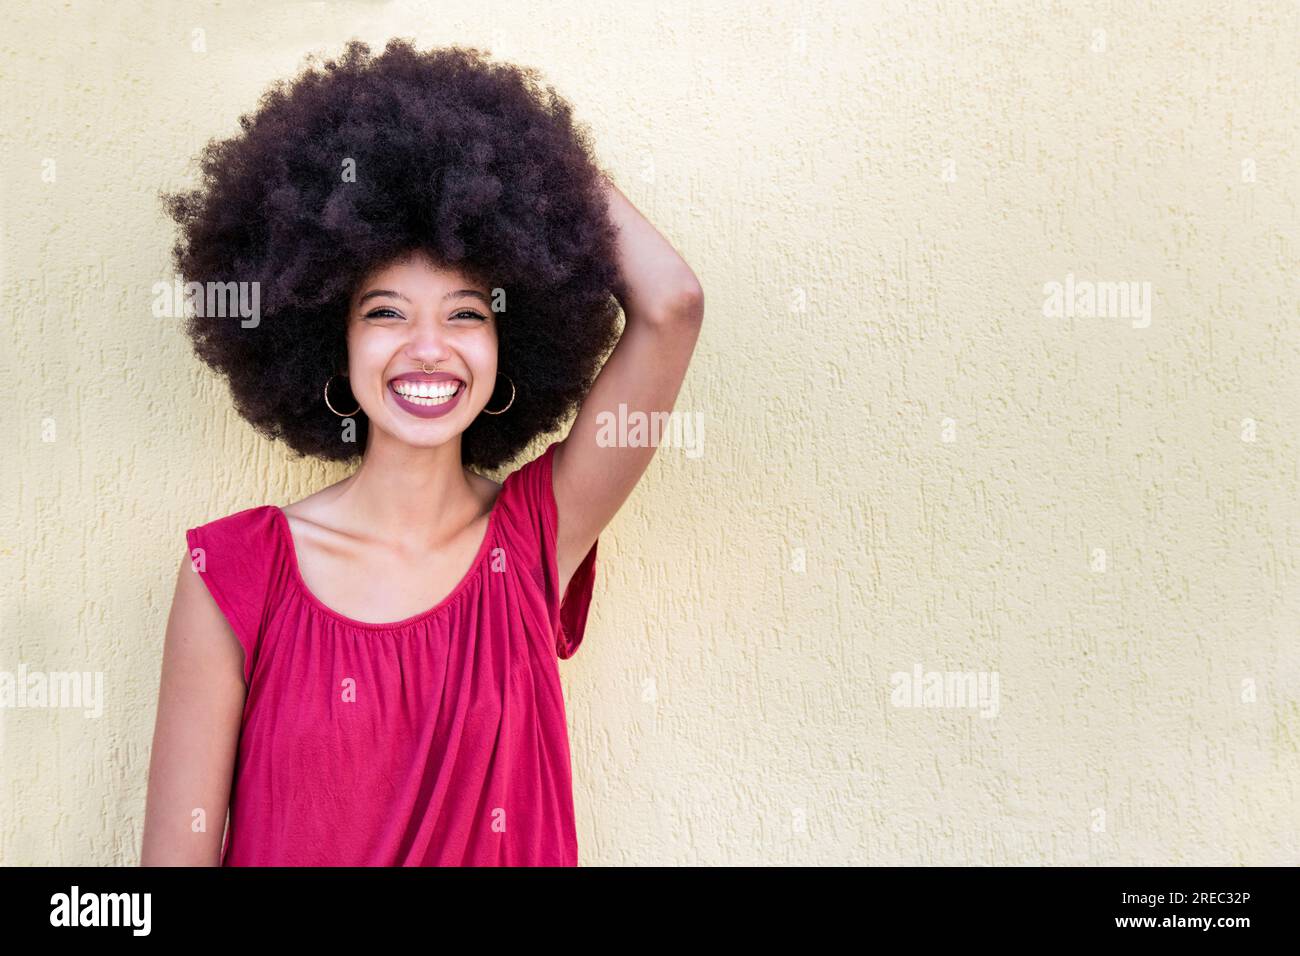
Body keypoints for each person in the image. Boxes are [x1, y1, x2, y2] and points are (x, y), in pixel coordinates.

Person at [141, 39, 703, 866]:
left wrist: (529, 161)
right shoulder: (232, 574)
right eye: (386, 313)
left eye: (467, 314)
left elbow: (672, 304)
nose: (429, 348)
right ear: (331, 339)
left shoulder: (537, 538)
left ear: (512, 342)